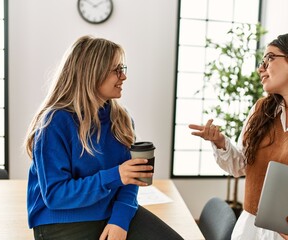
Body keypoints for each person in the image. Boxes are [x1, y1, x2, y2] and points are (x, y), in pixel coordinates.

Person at [189, 33, 288, 240]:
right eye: (261, 61)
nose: (261, 68)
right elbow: (241, 166)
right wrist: (220, 143)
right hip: (249, 231)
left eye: (269, 58)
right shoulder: (261, 111)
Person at [25, 35, 183, 240]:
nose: (123, 77)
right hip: (62, 221)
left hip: (110, 212)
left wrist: (120, 220)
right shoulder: (54, 122)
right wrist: (116, 175)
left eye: (122, 69)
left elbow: (130, 179)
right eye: (116, 70)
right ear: (92, 74)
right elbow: (55, 196)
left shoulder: (121, 119)